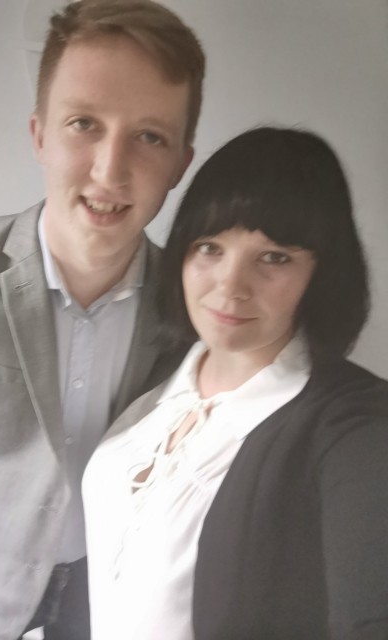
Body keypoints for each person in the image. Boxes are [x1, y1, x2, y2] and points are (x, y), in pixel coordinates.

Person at [0, 1, 205, 639]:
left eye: (149, 137)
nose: (110, 170)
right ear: (40, 133)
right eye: (84, 124)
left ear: (181, 163)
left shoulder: (191, 303)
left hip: (110, 592)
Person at [82, 126, 388, 640]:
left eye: (274, 257)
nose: (230, 286)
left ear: (322, 272)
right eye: (209, 248)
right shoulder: (158, 372)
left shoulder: (355, 427)